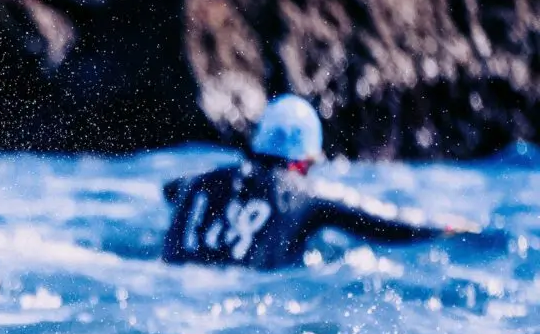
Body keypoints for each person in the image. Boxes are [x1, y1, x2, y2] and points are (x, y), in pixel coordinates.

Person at [161, 94, 479, 269]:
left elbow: (169, 190)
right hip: (249, 294)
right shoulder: (308, 194)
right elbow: (386, 223)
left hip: (175, 283)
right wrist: (446, 226)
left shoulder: (196, 183)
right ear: (304, 160)